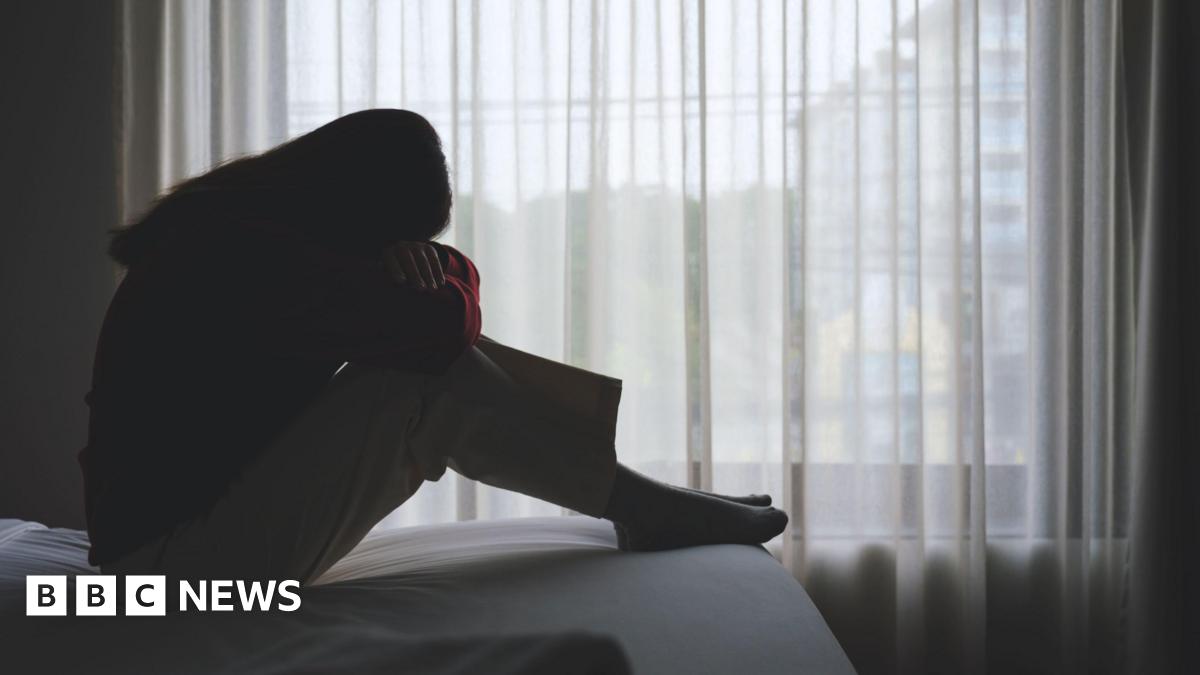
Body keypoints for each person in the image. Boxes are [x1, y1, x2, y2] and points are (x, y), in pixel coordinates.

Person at [82, 108, 788, 584]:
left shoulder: (237, 227)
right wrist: (444, 270)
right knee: (419, 383)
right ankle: (643, 503)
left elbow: (441, 328)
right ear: (354, 210)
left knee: (419, 370)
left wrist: (433, 266)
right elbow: (442, 335)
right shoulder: (245, 255)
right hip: (166, 578)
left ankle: (641, 500)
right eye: (393, 238)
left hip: (174, 553)